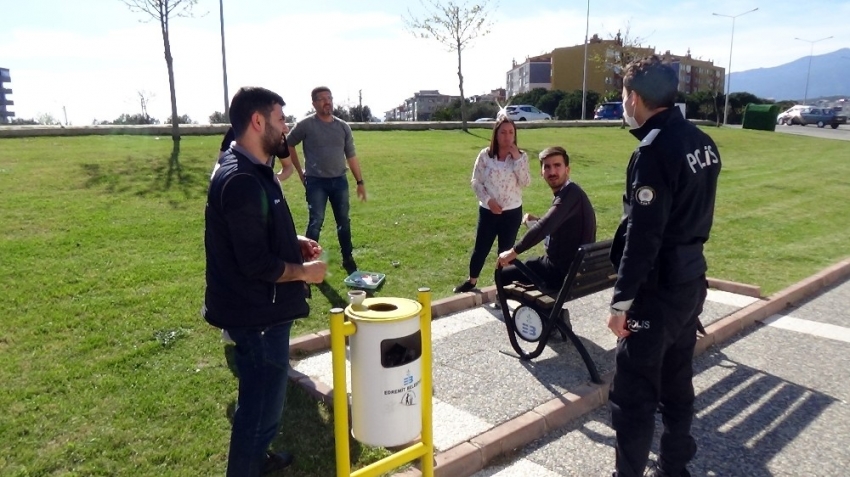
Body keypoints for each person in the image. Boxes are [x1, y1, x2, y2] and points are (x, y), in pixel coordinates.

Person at [203, 86, 327, 477]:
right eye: (280, 119)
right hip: (256, 316)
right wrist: (305, 273)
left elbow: (257, 235)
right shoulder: (240, 179)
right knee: (259, 407)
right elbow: (255, 262)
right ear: (258, 121)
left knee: (262, 402)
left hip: (264, 310)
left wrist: (294, 242)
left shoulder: (255, 170)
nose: (285, 129)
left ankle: (257, 459)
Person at [607, 55, 721, 477]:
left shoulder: (653, 152)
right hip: (691, 281)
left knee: (633, 396)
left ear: (634, 98)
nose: (623, 105)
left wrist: (622, 303)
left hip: (657, 293)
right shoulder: (702, 143)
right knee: (677, 383)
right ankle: (674, 467)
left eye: (623, 96)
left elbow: (645, 235)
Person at [286, 86, 366, 275]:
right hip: (316, 182)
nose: (327, 101)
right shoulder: (306, 125)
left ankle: (348, 257)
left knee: (343, 221)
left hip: (339, 181)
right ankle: (307, 261)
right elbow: (288, 144)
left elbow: (351, 156)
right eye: (322, 99)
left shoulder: (342, 127)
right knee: (316, 221)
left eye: (329, 97)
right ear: (314, 103)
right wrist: (299, 171)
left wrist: (360, 182)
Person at [496, 146, 596, 289]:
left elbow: (545, 226)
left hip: (560, 273)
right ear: (541, 173)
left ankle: (511, 309)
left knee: (502, 273)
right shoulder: (571, 194)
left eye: (557, 165)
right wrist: (535, 221)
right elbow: (555, 225)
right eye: (547, 167)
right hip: (575, 270)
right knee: (529, 265)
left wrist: (513, 252)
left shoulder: (571, 194)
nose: (552, 172)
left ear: (567, 170)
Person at [454, 117, 531, 293]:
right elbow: (475, 181)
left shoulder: (521, 157)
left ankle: (501, 290)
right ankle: (471, 281)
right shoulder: (485, 155)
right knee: (481, 248)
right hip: (489, 211)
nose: (507, 137)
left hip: (512, 213)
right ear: (496, 135)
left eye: (511, 132)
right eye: (503, 132)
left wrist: (517, 158)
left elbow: (526, 182)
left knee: (505, 253)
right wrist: (488, 200)